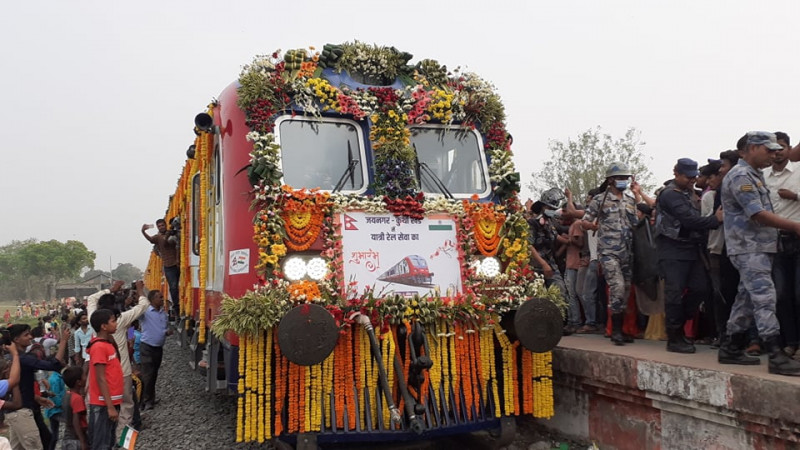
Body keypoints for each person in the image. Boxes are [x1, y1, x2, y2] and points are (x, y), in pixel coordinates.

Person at [718, 131, 800, 376]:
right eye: (769, 150)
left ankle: (731, 346)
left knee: (746, 299)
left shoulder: (755, 175)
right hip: (748, 247)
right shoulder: (741, 175)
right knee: (765, 297)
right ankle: (776, 354)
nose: (774, 154)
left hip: (758, 246)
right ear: (752, 148)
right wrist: (795, 226)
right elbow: (758, 214)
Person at [655, 158, 722, 353]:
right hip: (672, 249)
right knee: (674, 294)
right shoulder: (670, 194)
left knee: (700, 289)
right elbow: (688, 219)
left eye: (694, 176)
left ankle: (678, 328)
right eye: (688, 177)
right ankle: (674, 337)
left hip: (691, 249)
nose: (692, 180)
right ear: (676, 173)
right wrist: (714, 220)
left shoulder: (690, 193)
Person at [581, 162, 639, 345]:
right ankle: (615, 331)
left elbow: (635, 222)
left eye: (626, 178)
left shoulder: (630, 200)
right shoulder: (600, 200)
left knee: (626, 290)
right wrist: (592, 226)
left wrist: (638, 194)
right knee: (617, 287)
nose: (624, 181)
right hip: (609, 251)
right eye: (621, 178)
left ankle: (622, 328)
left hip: (627, 251)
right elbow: (584, 221)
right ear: (611, 180)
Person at [87, 280, 149, 443]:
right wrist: (141, 291)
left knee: (101, 412)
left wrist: (111, 289)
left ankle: (107, 440)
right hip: (121, 373)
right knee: (126, 409)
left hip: (99, 374)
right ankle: (125, 443)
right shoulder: (120, 320)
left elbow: (91, 299)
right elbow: (143, 306)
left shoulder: (94, 319)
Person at [763, 131, 800, 360]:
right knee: (781, 295)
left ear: (789, 149)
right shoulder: (763, 175)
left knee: (799, 294)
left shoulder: (798, 171)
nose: (778, 152)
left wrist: (795, 196)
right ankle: (791, 342)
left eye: (782, 147)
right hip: (774, 241)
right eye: (773, 148)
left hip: (797, 237)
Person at [6, 324, 68, 450]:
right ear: (16, 340)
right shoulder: (22, 359)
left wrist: (37, 398)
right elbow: (53, 365)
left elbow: (21, 385)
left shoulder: (14, 358)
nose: (30, 337)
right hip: (22, 411)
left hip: (21, 409)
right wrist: (64, 341)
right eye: (26, 335)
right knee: (38, 444)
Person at [87, 309, 123, 450]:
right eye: (113, 321)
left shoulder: (107, 343)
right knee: (102, 442)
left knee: (108, 439)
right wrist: (109, 407)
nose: (116, 324)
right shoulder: (99, 347)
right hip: (104, 404)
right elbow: (100, 378)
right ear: (104, 326)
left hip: (111, 401)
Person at [138, 291, 172, 410]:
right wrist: (130, 337)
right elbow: (131, 324)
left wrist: (167, 332)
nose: (162, 299)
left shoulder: (163, 313)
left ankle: (150, 398)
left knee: (154, 374)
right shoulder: (145, 312)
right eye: (160, 297)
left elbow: (164, 328)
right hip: (147, 346)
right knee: (147, 374)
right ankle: (145, 401)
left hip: (158, 348)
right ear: (152, 300)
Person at [141, 219, 180, 319]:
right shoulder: (158, 237)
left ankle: (178, 305)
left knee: (178, 287)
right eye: (159, 226)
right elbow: (162, 243)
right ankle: (177, 308)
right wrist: (143, 231)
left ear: (165, 225)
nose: (161, 227)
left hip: (178, 264)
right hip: (168, 266)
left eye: (162, 225)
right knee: (173, 287)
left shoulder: (173, 233)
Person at [61, 366, 88, 450]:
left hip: (67, 438)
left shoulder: (67, 395)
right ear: (78, 382)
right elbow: (76, 421)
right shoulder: (77, 398)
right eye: (84, 376)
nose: (86, 378)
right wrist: (82, 441)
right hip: (75, 440)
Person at [43, 369, 65, 450]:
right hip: (55, 410)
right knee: (55, 435)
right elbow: (55, 395)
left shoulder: (58, 377)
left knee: (54, 434)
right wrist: (62, 404)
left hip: (54, 409)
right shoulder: (55, 379)